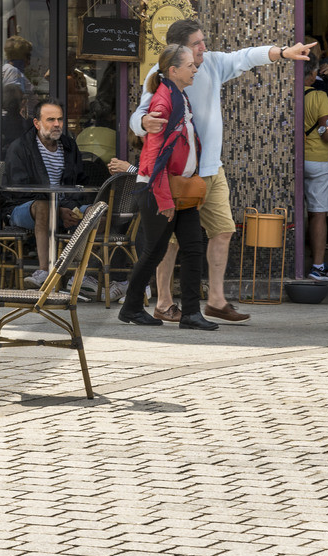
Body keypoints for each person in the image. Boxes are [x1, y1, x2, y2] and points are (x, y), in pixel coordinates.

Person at [132, 19, 316, 326]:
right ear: (178, 51)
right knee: (170, 242)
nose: (204, 47)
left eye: (204, 41)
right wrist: (144, 124)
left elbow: (247, 56)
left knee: (224, 230)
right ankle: (164, 302)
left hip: (211, 170)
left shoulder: (214, 63)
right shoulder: (160, 74)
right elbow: (140, 114)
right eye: (197, 43)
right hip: (177, 174)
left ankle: (215, 301)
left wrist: (284, 52)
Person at [118, 45, 213, 330]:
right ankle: (132, 307)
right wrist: (164, 199)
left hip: (178, 189)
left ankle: (192, 314)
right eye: (189, 66)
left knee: (193, 248)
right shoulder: (163, 101)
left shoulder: (178, 95)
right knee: (154, 251)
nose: (195, 68)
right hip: (161, 190)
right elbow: (153, 157)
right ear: (173, 70)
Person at [1, 100, 86, 289]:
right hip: (23, 208)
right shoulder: (20, 147)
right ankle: (44, 271)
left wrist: (67, 207)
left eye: (60, 119)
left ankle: (84, 274)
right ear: (37, 123)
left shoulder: (69, 146)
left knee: (98, 213)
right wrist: (57, 210)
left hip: (64, 205)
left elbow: (80, 181)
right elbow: (20, 191)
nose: (57, 124)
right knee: (43, 206)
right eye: (50, 120)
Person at [303, 70, 328, 283]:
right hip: (317, 160)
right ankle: (317, 266)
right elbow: (326, 135)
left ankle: (294, 261)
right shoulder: (318, 96)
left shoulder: (286, 93)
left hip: (294, 159)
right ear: (312, 75)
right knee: (318, 213)